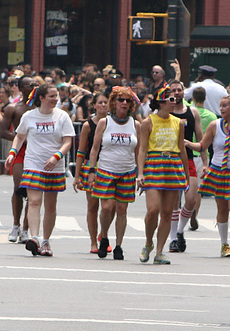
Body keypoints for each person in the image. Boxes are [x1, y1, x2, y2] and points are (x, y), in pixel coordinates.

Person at [5, 83, 75, 256]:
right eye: (51, 96)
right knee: (34, 201)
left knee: (51, 205)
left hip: (55, 166)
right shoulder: (29, 116)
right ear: (41, 98)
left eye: (56, 96)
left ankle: (46, 241)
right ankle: (34, 237)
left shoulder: (62, 116)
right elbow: (19, 137)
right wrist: (12, 153)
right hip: (33, 163)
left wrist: (56, 156)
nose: (55, 99)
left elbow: (67, 141)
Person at [185, 93, 230, 258]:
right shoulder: (215, 125)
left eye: (225, 106)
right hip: (218, 171)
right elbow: (202, 145)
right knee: (222, 208)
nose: (221, 109)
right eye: (221, 106)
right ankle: (224, 244)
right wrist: (188, 143)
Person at [137, 85, 189, 265]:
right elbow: (142, 148)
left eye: (176, 99)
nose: (174, 102)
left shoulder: (178, 122)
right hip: (154, 163)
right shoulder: (148, 121)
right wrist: (140, 173)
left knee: (168, 212)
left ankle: (159, 251)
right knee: (153, 210)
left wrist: (187, 175)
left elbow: (182, 149)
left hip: (173, 165)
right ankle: (148, 242)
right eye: (171, 99)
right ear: (161, 102)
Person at [88, 86, 141, 260]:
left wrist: (141, 174)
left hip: (127, 171)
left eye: (128, 101)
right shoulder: (105, 122)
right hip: (106, 169)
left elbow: (139, 152)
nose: (124, 103)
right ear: (114, 103)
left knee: (122, 209)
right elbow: (95, 149)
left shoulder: (135, 124)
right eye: (120, 100)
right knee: (107, 207)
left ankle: (119, 245)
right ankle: (103, 237)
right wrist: (91, 171)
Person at [164, 79, 205, 252]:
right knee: (174, 202)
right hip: (171, 160)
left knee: (191, 199)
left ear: (183, 92)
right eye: (173, 90)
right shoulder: (166, 113)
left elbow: (201, 140)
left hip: (189, 159)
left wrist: (205, 163)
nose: (177, 92)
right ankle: (173, 238)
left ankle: (180, 231)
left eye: (179, 90)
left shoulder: (192, 112)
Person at [0, 76, 39, 243]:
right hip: (20, 150)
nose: (34, 87)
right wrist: (18, 138)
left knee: (33, 191)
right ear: (22, 88)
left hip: (37, 151)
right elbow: (2, 131)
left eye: (36, 85)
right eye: (31, 85)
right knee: (18, 187)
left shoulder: (40, 109)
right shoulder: (13, 108)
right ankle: (15, 225)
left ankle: (25, 228)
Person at [73, 92, 111, 253]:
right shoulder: (89, 125)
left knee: (110, 205)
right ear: (94, 106)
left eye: (106, 102)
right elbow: (81, 151)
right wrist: (77, 175)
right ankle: (93, 241)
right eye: (100, 103)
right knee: (93, 206)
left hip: (110, 165)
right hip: (91, 165)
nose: (103, 105)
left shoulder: (114, 122)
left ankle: (104, 234)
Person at [189, 86, 218, 230]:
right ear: (205, 98)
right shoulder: (212, 116)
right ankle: (195, 212)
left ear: (193, 98)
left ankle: (184, 210)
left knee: (183, 187)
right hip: (202, 153)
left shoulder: (189, 111)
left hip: (187, 152)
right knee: (198, 188)